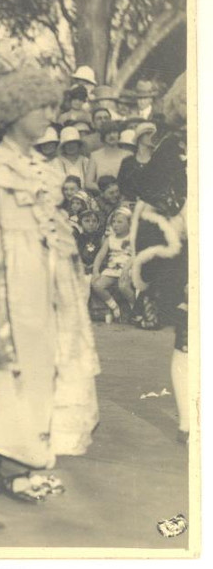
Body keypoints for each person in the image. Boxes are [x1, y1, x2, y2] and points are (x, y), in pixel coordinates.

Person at [0, 66, 99, 504]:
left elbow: (55, 223)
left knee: (44, 363)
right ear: (16, 109)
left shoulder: (43, 166)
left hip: (47, 273)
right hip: (9, 272)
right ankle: (10, 463)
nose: (49, 116)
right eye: (41, 107)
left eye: (52, 108)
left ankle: (28, 453)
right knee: (12, 362)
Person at [126, 74, 188, 441]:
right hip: (189, 252)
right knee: (189, 335)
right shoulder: (172, 148)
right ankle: (187, 422)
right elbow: (144, 187)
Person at [91, 207, 135, 322]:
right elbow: (100, 255)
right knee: (97, 285)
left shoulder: (132, 237)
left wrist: (126, 269)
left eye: (120, 222)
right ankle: (114, 306)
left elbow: (135, 255)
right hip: (112, 269)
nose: (115, 225)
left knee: (123, 286)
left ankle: (135, 307)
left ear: (129, 223)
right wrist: (96, 271)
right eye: (114, 222)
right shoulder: (110, 239)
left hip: (128, 268)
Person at [85, 122, 131, 192]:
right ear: (103, 136)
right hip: (102, 196)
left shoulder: (128, 155)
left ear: (119, 135)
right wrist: (105, 190)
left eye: (114, 132)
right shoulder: (95, 156)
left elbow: (131, 180)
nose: (112, 135)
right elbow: (88, 183)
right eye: (108, 133)